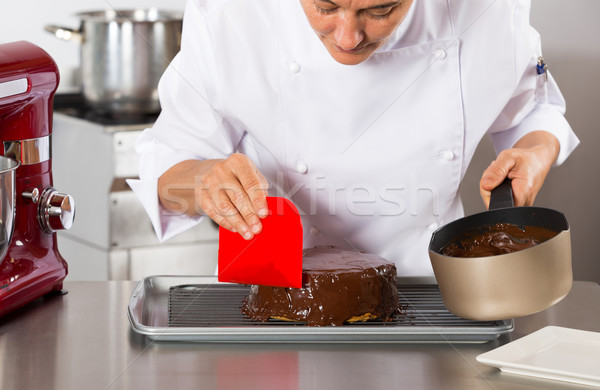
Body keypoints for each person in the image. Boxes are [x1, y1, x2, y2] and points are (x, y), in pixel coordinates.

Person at [129, 0, 579, 276]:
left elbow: (533, 110)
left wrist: (535, 152)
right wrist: (203, 182)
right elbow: (170, 167)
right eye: (325, 6)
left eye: (380, 10)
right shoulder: (232, 13)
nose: (347, 36)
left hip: (430, 289)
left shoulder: (485, 8)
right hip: (274, 291)